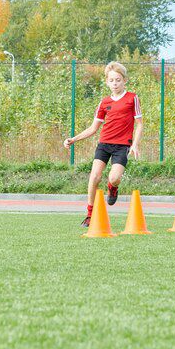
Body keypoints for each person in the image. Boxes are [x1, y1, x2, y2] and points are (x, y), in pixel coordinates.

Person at [64, 61, 142, 227]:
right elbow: (93, 128)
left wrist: (135, 144)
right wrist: (74, 139)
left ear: (124, 80)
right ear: (107, 82)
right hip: (104, 144)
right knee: (94, 177)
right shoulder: (104, 102)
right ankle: (90, 215)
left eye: (118, 80)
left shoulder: (132, 98)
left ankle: (112, 187)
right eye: (112, 80)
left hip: (122, 146)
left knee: (114, 178)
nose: (115, 83)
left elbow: (140, 124)